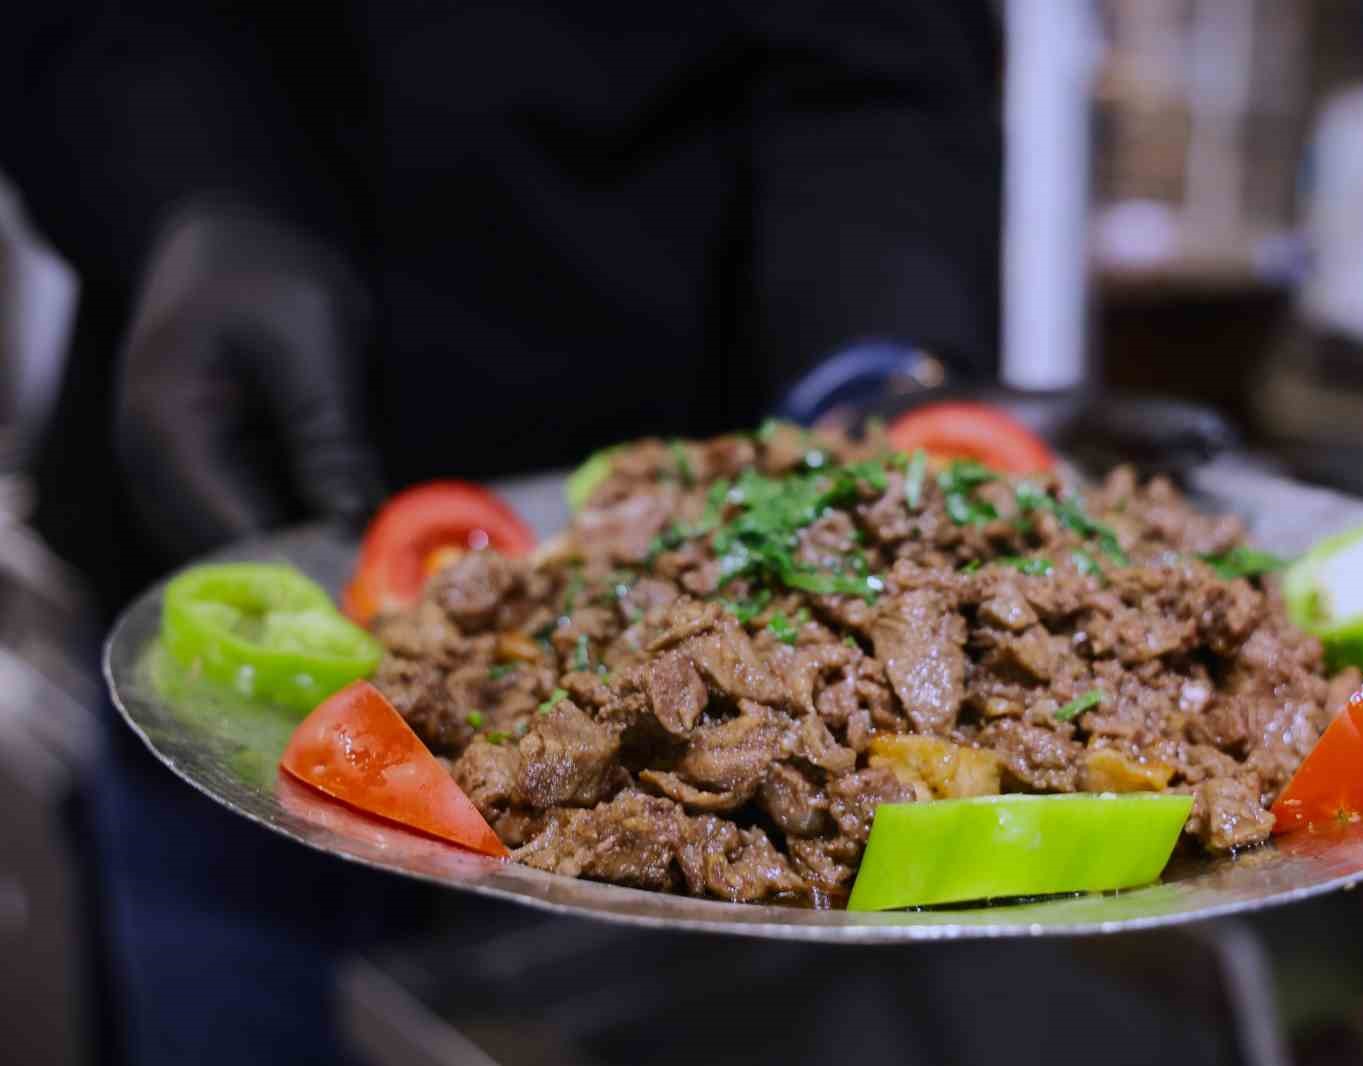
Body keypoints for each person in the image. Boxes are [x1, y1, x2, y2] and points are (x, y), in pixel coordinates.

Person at [7, 2, 1000, 1063]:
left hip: (720, 593)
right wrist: (183, 198)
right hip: (236, 577)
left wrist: (869, 376)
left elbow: (882, 50)